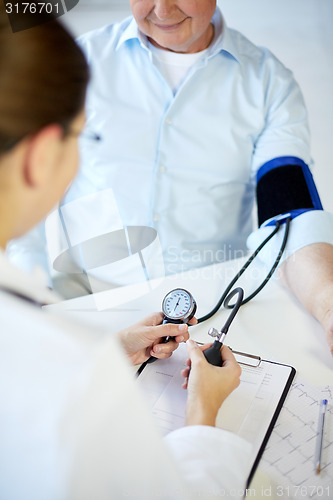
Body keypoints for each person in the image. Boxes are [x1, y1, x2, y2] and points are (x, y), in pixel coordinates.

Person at [0, 6, 252, 499]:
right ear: (41, 156)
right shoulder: (70, 377)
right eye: (83, 136)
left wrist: (111, 353)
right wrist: (203, 413)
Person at [8, 0, 333, 356]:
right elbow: (24, 186)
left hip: (211, 306)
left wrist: (328, 306)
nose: (161, 10)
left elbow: (290, 210)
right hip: (90, 300)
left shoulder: (269, 84)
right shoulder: (80, 63)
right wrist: (30, 306)